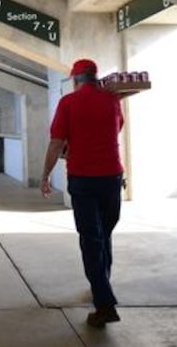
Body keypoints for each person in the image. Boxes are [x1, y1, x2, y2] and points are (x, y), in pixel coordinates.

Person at [40, 59, 125, 328]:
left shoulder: (68, 103)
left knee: (91, 239)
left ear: (75, 80)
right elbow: (118, 127)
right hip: (112, 177)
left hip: (84, 179)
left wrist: (45, 176)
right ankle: (103, 285)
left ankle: (105, 304)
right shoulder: (112, 100)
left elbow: (56, 143)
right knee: (104, 233)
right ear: (95, 77)